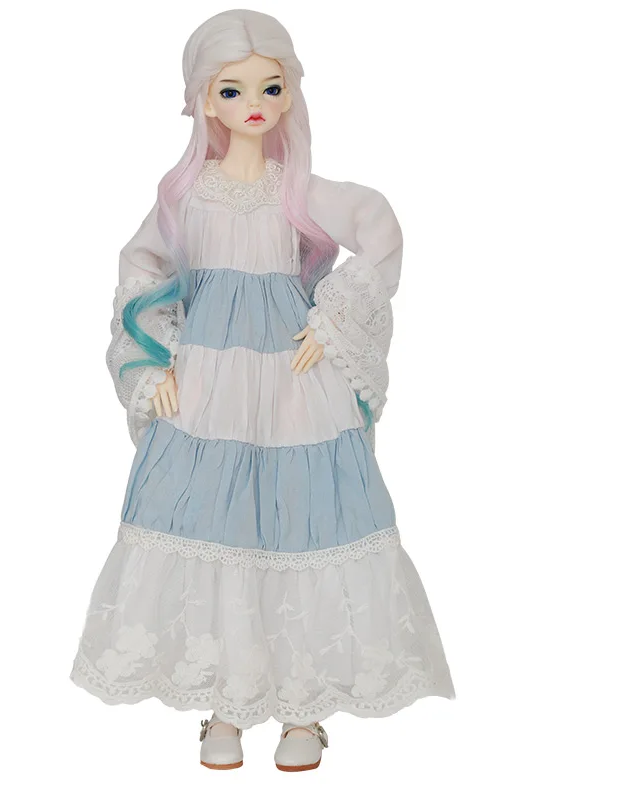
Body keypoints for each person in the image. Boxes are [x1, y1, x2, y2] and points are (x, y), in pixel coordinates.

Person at [70, 8, 455, 772]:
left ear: (289, 93)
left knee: (298, 517)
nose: (254, 103)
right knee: (215, 520)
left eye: (270, 87)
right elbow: (141, 266)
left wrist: (337, 317)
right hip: (208, 388)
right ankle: (228, 700)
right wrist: (152, 361)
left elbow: (379, 225)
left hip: (291, 380)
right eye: (233, 89)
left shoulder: (297, 191)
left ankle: (302, 709)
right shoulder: (186, 195)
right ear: (203, 100)